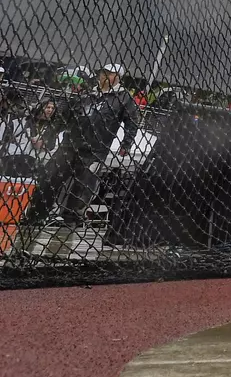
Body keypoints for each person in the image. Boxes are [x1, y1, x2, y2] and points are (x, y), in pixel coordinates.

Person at [21, 64, 141, 243]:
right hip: (70, 145)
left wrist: (127, 144)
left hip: (95, 151)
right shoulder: (86, 94)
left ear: (118, 77)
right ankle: (36, 215)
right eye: (103, 73)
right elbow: (64, 116)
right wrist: (48, 136)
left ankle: (70, 223)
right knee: (49, 176)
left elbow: (132, 121)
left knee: (82, 188)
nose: (104, 76)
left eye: (109, 74)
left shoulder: (123, 98)